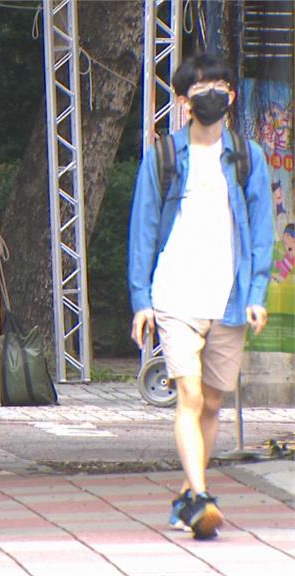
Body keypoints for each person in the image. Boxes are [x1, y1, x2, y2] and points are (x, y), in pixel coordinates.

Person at [128, 52, 273, 540]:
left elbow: (260, 233)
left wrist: (257, 292)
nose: (211, 91)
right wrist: (141, 299)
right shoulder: (164, 156)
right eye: (201, 85)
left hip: (229, 300)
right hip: (175, 296)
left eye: (219, 84)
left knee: (212, 401)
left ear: (231, 96)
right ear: (184, 98)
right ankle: (202, 494)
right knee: (188, 395)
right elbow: (143, 229)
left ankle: (190, 494)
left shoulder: (248, 156)